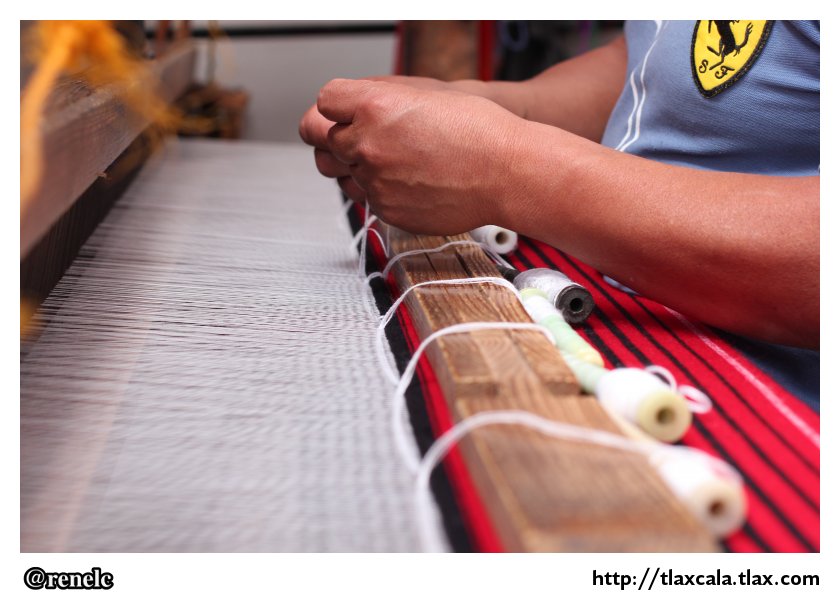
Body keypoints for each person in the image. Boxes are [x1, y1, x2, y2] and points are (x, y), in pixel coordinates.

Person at [299, 20, 819, 403]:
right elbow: (651, 55)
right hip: (618, 307)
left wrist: (504, 168)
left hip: (767, 396)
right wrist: (500, 107)